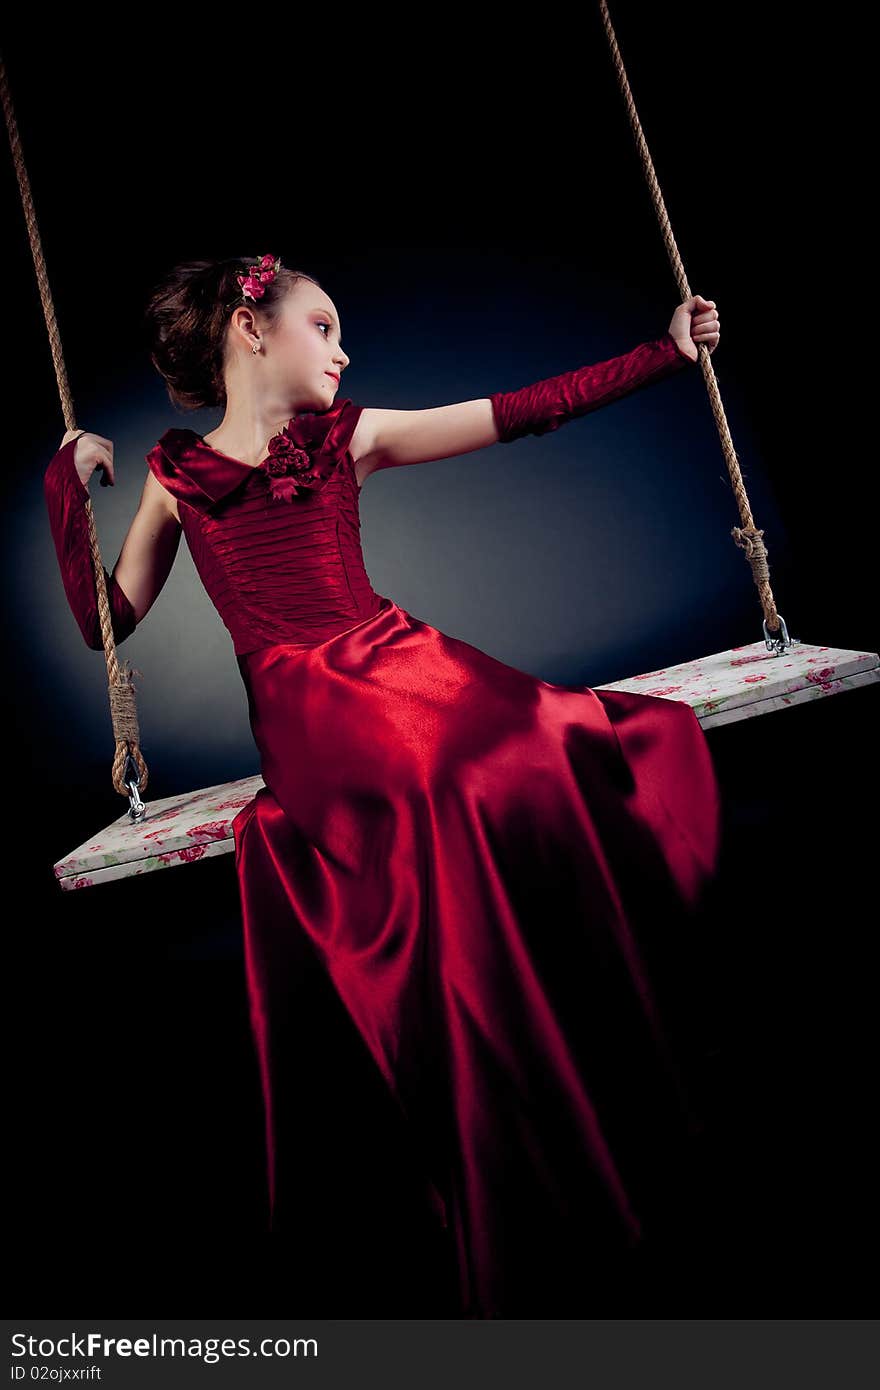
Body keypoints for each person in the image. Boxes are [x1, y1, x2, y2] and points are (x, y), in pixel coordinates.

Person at [43, 254, 723, 1317]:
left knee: (540, 747)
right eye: (325, 325)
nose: (344, 347)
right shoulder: (178, 482)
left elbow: (522, 410)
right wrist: (65, 488)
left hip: (403, 660)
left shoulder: (349, 436)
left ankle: (555, 1037)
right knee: (435, 783)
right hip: (310, 708)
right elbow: (104, 621)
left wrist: (665, 355)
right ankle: (494, 1082)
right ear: (250, 329)